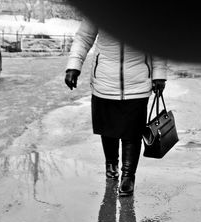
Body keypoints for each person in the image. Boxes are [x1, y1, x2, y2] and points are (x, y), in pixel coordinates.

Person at [64, 18, 168, 196]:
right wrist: (74, 65)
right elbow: (84, 37)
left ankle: (128, 177)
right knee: (108, 129)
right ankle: (111, 166)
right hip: (105, 80)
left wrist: (159, 74)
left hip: (138, 81)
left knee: (133, 132)